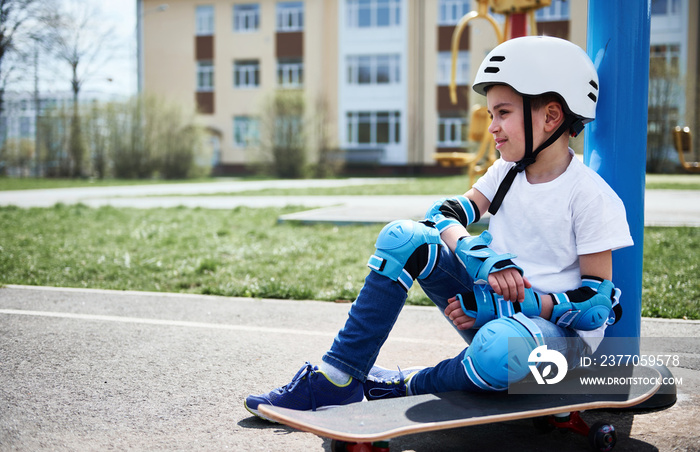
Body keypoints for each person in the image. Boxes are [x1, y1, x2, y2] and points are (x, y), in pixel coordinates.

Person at [245, 36, 633, 420]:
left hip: (556, 343)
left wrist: (508, 305)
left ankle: (407, 384)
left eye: (503, 113)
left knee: (501, 349)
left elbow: (595, 307)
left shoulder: (588, 196)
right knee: (404, 237)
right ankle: (339, 376)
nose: (492, 128)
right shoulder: (505, 173)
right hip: (493, 312)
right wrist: (479, 258)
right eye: (491, 115)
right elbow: (442, 213)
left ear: (551, 116)